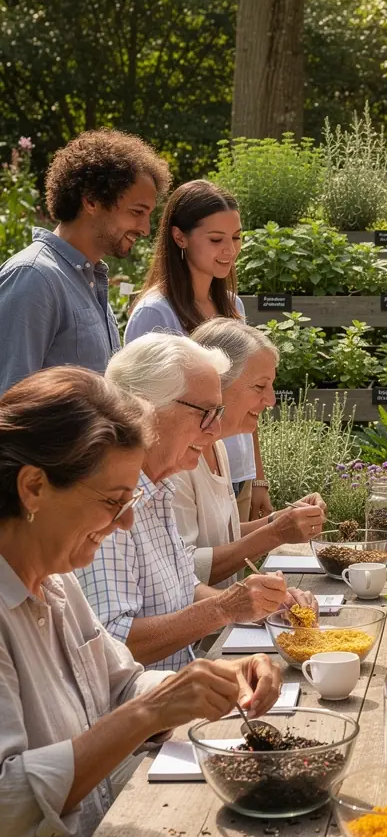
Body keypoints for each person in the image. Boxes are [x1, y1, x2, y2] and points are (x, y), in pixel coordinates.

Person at [0, 366, 283, 837]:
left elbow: (122, 680)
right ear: (33, 488)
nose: (125, 521)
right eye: (112, 501)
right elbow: (6, 806)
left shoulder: (53, 584)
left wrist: (209, 684)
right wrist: (152, 709)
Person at [76, 333, 306, 670]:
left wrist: (260, 606)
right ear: (143, 407)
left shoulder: (157, 488)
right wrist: (224, 608)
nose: (214, 431)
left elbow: (187, 589)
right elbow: (113, 643)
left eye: (219, 412)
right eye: (206, 413)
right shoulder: (107, 505)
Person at [124, 179, 272, 523]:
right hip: (185, 479)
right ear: (180, 237)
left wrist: (257, 474)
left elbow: (249, 395)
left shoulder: (233, 306)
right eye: (216, 239)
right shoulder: (155, 312)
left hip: (235, 470)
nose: (230, 250)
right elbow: (143, 411)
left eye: (236, 238)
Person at [0, 129, 171, 394]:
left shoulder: (90, 282)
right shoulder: (34, 277)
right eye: (137, 212)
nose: (145, 229)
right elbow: (7, 403)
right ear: (91, 200)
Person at [178, 317, 326, 587]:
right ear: (216, 382)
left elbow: (224, 539)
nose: (271, 400)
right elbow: (183, 570)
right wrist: (275, 533)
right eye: (260, 386)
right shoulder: (176, 463)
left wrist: (279, 521)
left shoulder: (216, 446)